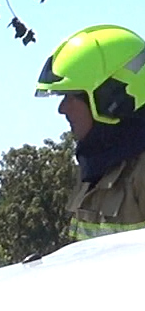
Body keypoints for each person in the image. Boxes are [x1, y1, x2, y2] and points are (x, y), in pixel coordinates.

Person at [32, 24, 145, 240]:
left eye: (71, 97)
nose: (62, 109)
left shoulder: (139, 171)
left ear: (111, 99)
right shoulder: (96, 168)